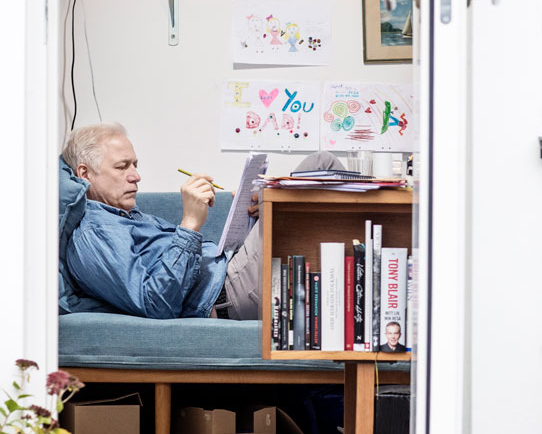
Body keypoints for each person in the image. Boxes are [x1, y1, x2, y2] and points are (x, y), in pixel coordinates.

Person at [60, 122, 343, 320]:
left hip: (234, 271)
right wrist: (190, 223)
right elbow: (156, 305)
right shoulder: (94, 233)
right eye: (122, 167)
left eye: (135, 165)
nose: (136, 176)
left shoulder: (123, 214)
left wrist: (255, 209)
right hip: (229, 294)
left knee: (319, 165)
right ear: (84, 173)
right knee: (317, 176)